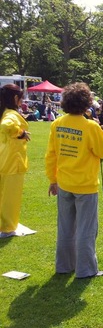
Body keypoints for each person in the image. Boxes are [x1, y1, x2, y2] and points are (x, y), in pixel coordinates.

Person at [45, 82, 103, 278]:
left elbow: (51, 155)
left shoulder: (57, 124)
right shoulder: (90, 126)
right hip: (85, 186)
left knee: (65, 227)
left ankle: (64, 266)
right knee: (86, 229)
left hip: (64, 182)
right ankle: (86, 269)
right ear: (86, 103)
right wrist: (102, 131)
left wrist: (52, 179)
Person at [0, 84, 31, 238]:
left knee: (3, 194)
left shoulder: (4, 111)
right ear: (15, 98)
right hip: (13, 161)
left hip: (5, 158)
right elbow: (7, 126)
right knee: (10, 197)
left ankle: (5, 224)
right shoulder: (10, 114)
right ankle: (8, 227)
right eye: (21, 98)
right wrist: (20, 133)